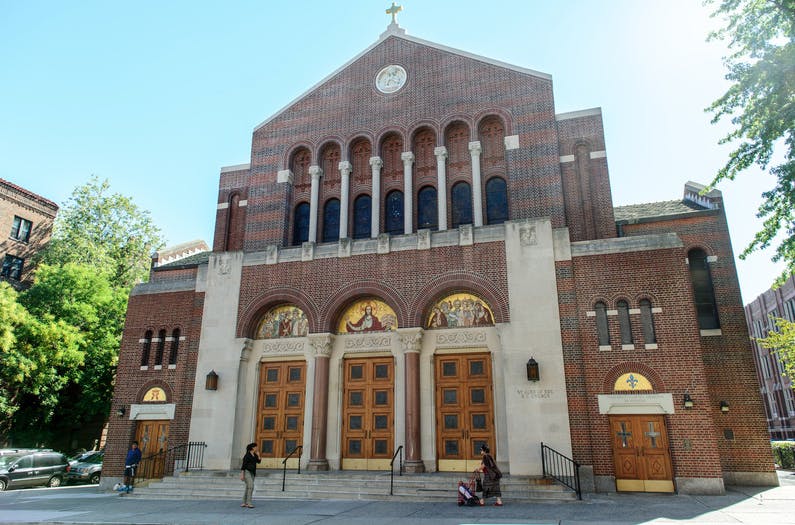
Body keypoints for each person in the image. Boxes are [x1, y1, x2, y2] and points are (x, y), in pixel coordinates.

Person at [239, 442, 260, 508]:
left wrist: (259, 455)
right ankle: (249, 502)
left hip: (252, 473)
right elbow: (243, 465)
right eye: (256, 447)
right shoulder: (247, 455)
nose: (257, 448)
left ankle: (244, 502)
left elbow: (258, 461)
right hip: (247, 472)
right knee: (251, 486)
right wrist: (242, 474)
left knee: (248, 487)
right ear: (253, 448)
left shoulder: (255, 455)